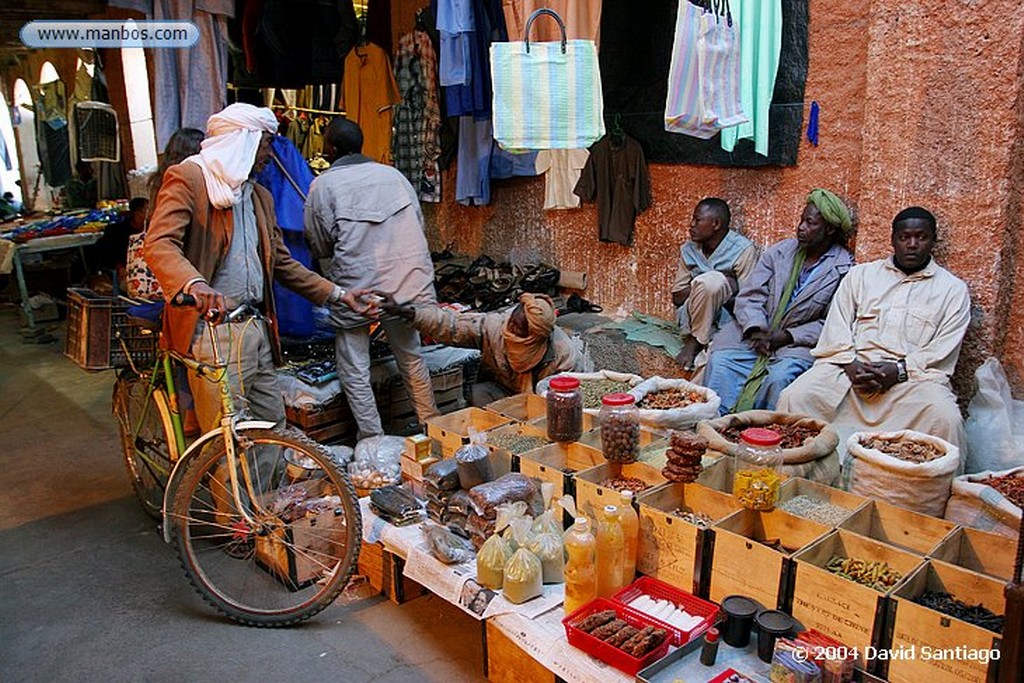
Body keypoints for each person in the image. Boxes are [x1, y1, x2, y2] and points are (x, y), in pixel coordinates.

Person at [144, 103, 359, 437]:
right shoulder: (190, 179)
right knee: (229, 436)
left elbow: (283, 264)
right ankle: (233, 492)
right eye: (264, 146)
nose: (269, 155)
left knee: (272, 428)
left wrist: (338, 295)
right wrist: (194, 284)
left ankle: (266, 492)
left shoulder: (259, 195)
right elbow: (159, 244)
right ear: (241, 142)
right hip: (213, 331)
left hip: (256, 326)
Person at [777, 206, 971, 452]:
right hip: (849, 371)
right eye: (904, 237)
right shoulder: (861, 276)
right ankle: (793, 470)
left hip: (911, 380)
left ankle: (929, 487)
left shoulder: (952, 290)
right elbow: (836, 327)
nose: (912, 244)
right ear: (892, 239)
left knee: (946, 419)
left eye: (921, 237)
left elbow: (942, 349)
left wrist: (899, 370)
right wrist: (851, 365)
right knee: (795, 397)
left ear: (933, 240)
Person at [304, 117, 439, 439]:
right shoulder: (393, 176)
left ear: (331, 149)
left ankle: (373, 441)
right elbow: (417, 226)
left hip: (355, 288)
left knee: (355, 366)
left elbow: (319, 243)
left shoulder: (322, 185)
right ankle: (433, 429)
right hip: (406, 284)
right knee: (411, 356)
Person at [704, 189, 856, 414]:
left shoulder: (843, 268)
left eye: (810, 223)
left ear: (830, 229)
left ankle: (761, 433)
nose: (801, 228)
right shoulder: (780, 252)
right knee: (721, 362)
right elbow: (751, 295)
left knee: (779, 377)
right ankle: (716, 426)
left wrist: (787, 336)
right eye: (802, 220)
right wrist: (756, 328)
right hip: (753, 335)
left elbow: (832, 321)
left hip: (796, 345)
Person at [373, 291, 585, 406]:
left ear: (535, 336)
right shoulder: (495, 327)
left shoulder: (561, 352)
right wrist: (409, 313)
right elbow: (451, 324)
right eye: (512, 322)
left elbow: (571, 397)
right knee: (477, 394)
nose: (511, 328)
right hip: (503, 394)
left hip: (541, 406)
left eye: (518, 329)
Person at [671, 197, 758, 372]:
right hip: (690, 318)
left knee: (713, 282)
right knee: (710, 281)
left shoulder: (742, 250)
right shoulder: (689, 249)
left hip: (725, 319)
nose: (691, 225)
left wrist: (721, 290)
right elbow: (678, 297)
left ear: (716, 224)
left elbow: (747, 301)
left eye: (698, 220)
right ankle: (696, 340)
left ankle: (698, 342)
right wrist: (707, 285)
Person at [96, 197, 147, 287]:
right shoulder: (117, 232)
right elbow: (107, 253)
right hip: (129, 274)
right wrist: (119, 267)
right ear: (137, 213)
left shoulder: (153, 230)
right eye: (147, 211)